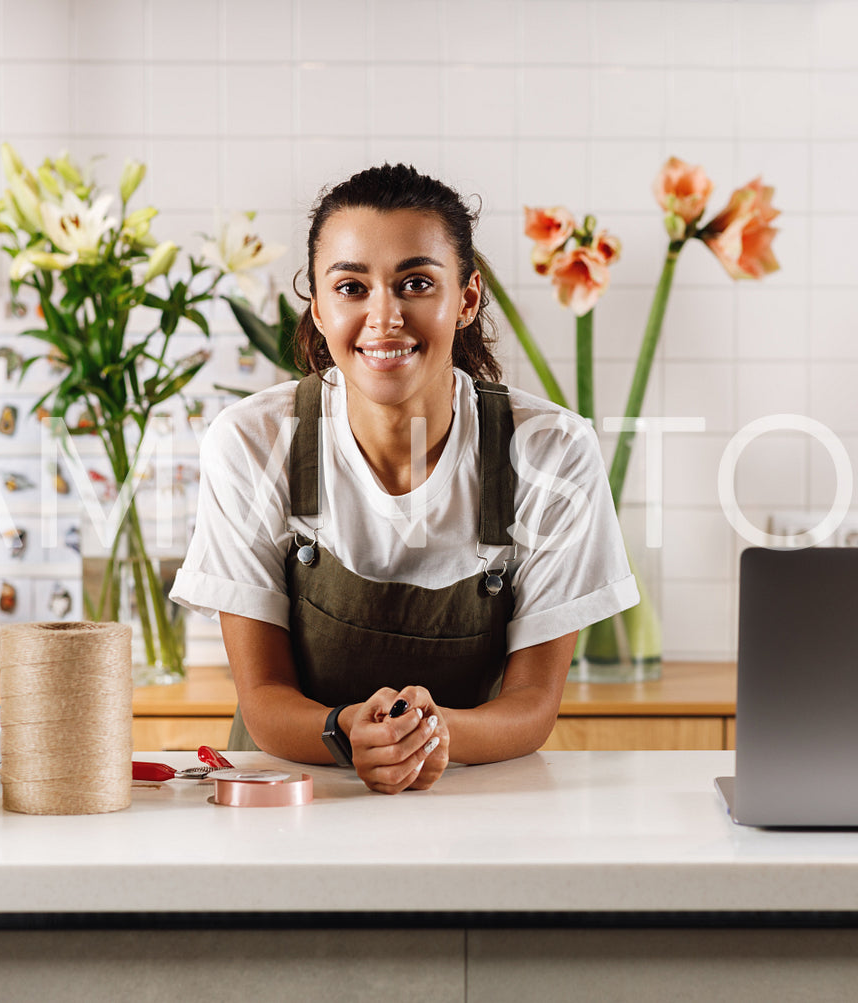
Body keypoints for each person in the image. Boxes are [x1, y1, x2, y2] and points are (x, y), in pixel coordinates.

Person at [169, 164, 637, 794]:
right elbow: (263, 697)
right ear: (317, 302)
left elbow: (532, 706)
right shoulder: (254, 442)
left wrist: (432, 738)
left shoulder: (551, 451)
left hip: (467, 798)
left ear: (466, 299)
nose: (384, 317)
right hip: (288, 798)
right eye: (351, 287)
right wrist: (345, 732)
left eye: (415, 283)